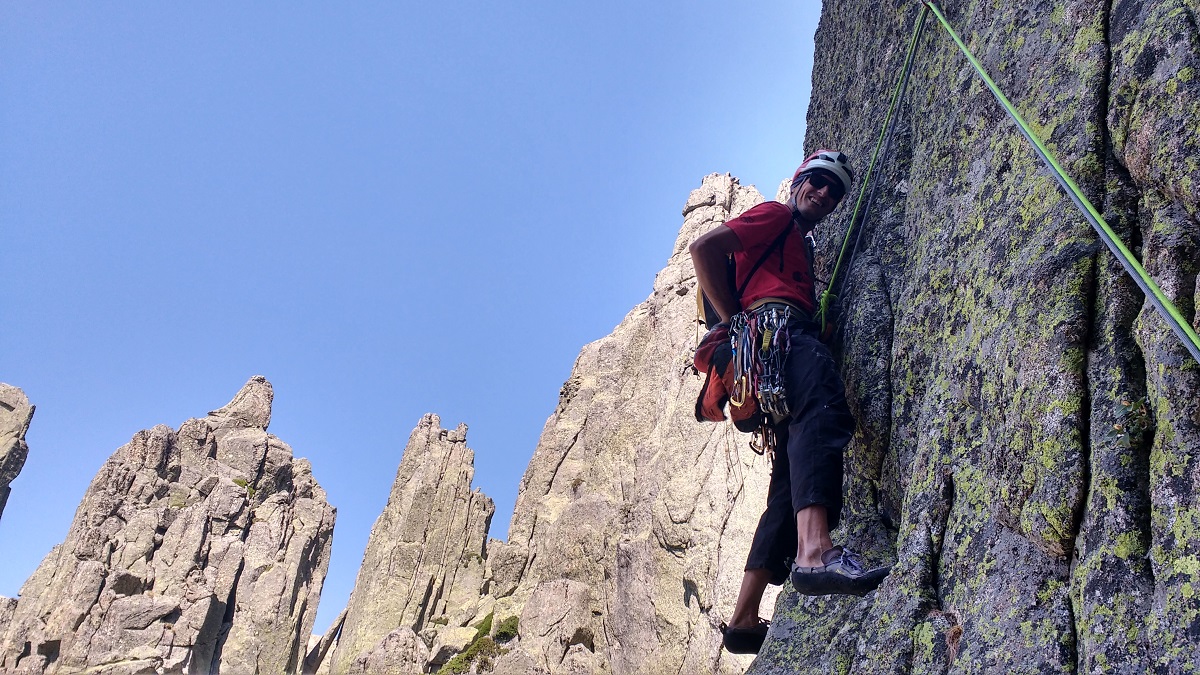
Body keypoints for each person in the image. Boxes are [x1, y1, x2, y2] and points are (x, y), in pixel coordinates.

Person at [688, 150, 891, 655]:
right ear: (799, 181)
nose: (822, 194)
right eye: (817, 182)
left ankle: (742, 616)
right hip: (776, 335)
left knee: (785, 483)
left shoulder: (798, 246)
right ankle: (815, 552)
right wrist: (739, 319)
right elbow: (704, 248)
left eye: (833, 191)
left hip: (774, 350)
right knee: (821, 408)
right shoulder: (776, 216)